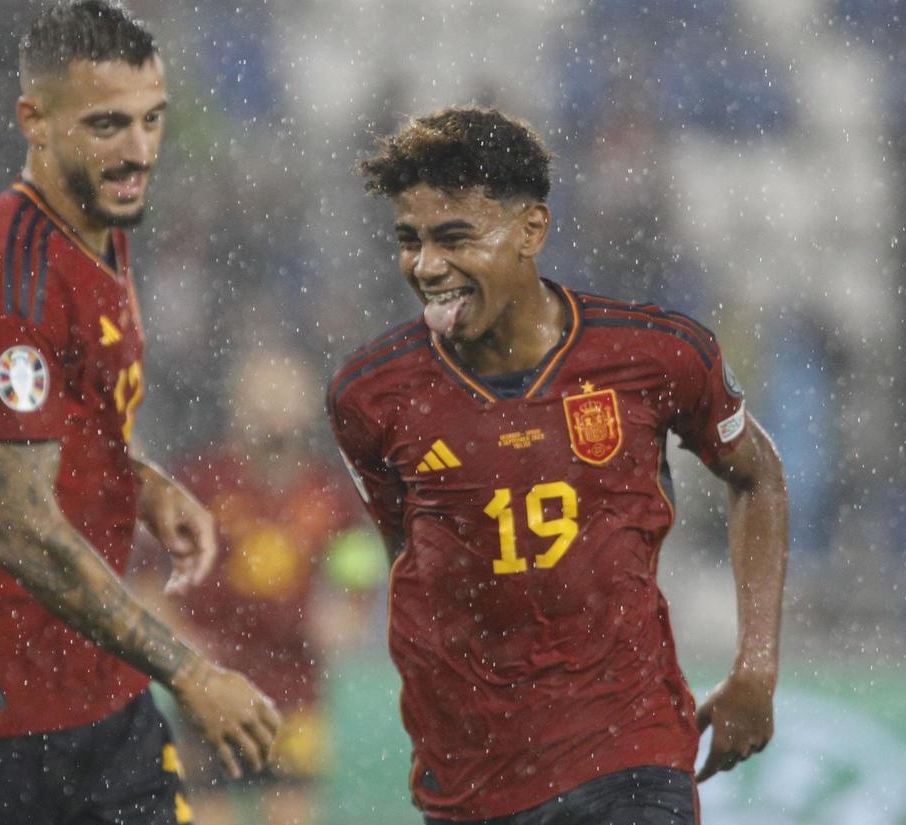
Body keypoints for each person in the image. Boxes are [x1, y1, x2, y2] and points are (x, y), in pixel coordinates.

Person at [0, 4, 280, 824]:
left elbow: (74, 414)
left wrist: (143, 481)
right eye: (109, 124)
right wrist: (191, 671)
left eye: (153, 119)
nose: (140, 151)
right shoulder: (14, 284)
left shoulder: (98, 219)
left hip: (87, 691)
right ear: (34, 121)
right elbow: (25, 530)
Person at [327, 107, 789, 825]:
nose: (427, 266)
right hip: (471, 775)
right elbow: (409, 555)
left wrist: (756, 667)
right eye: (409, 241)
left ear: (531, 231)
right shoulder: (371, 396)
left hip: (627, 750)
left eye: (455, 238)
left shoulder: (653, 354)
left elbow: (757, 475)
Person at [134, 348, 381, 825]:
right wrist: (181, 646)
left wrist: (346, 619)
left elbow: (359, 576)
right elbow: (147, 581)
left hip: (294, 688)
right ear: (235, 403)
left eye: (284, 395)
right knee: (207, 813)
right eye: (260, 395)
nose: (272, 408)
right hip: (210, 689)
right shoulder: (200, 481)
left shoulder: (330, 495)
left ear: (308, 405)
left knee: (291, 811)